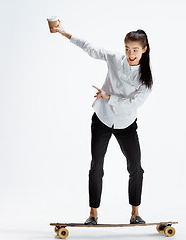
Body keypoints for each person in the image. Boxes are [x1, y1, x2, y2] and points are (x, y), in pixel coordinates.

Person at [52, 22, 153, 225]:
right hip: (103, 118)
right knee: (96, 165)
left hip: (126, 124)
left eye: (135, 49)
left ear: (144, 49)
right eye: (127, 49)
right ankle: (93, 214)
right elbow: (91, 48)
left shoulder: (146, 81)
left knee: (136, 167)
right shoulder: (116, 59)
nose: (130, 54)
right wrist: (63, 32)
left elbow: (131, 106)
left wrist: (109, 97)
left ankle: (135, 213)